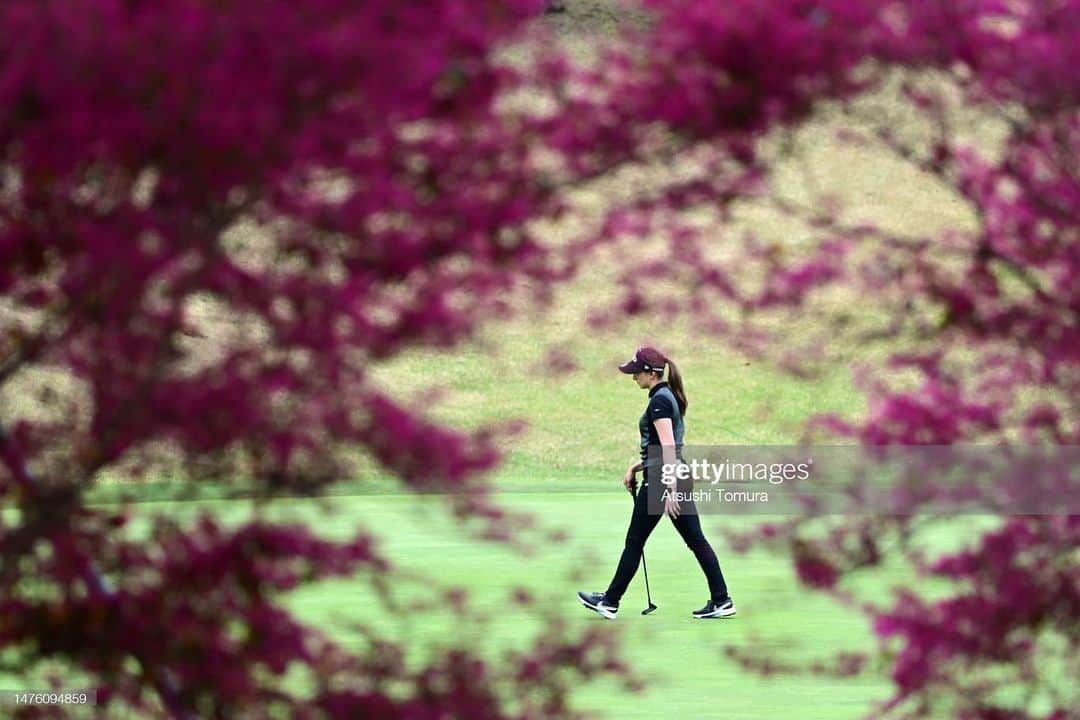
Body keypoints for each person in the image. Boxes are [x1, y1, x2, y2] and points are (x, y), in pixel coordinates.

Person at [577, 346, 735, 619]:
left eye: (637, 372)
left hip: (664, 481)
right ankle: (722, 599)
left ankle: (611, 601)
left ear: (651, 373)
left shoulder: (660, 401)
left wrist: (670, 489)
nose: (633, 377)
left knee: (634, 541)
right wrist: (635, 466)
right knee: (696, 540)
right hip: (673, 476)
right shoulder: (667, 396)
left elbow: (669, 446)